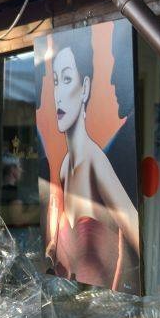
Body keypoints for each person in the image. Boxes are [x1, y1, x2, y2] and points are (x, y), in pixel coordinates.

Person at [41, 28, 141, 290]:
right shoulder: (65, 166)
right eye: (55, 81)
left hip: (108, 310)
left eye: (67, 79)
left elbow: (140, 238)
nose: (58, 93)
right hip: (71, 307)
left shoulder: (96, 162)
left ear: (84, 88)